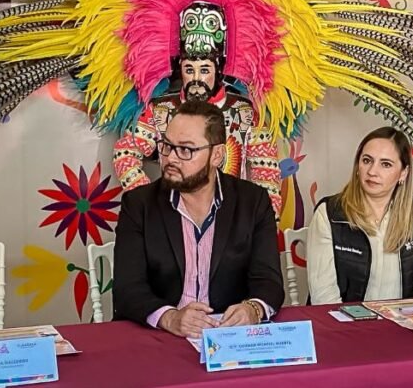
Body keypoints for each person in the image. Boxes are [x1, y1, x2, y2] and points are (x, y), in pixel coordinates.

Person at [113, 100, 284, 338]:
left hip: (227, 336)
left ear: (217, 155)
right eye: (167, 146)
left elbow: (268, 281)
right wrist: (169, 318)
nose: (171, 159)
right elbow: (127, 288)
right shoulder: (139, 204)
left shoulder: (253, 201)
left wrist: (253, 310)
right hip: (160, 336)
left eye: (186, 150)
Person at [113, 1, 282, 215]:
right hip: (173, 221)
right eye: (189, 69)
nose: (196, 78)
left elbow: (267, 175)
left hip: (230, 222)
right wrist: (151, 207)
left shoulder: (246, 112)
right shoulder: (161, 110)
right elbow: (125, 153)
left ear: (218, 71)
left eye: (204, 70)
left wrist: (260, 221)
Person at [307, 127, 413, 304]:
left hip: (403, 318)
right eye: (367, 160)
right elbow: (324, 297)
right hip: (344, 319)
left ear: (403, 173)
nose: (372, 171)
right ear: (357, 166)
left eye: (386, 164)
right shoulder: (329, 213)